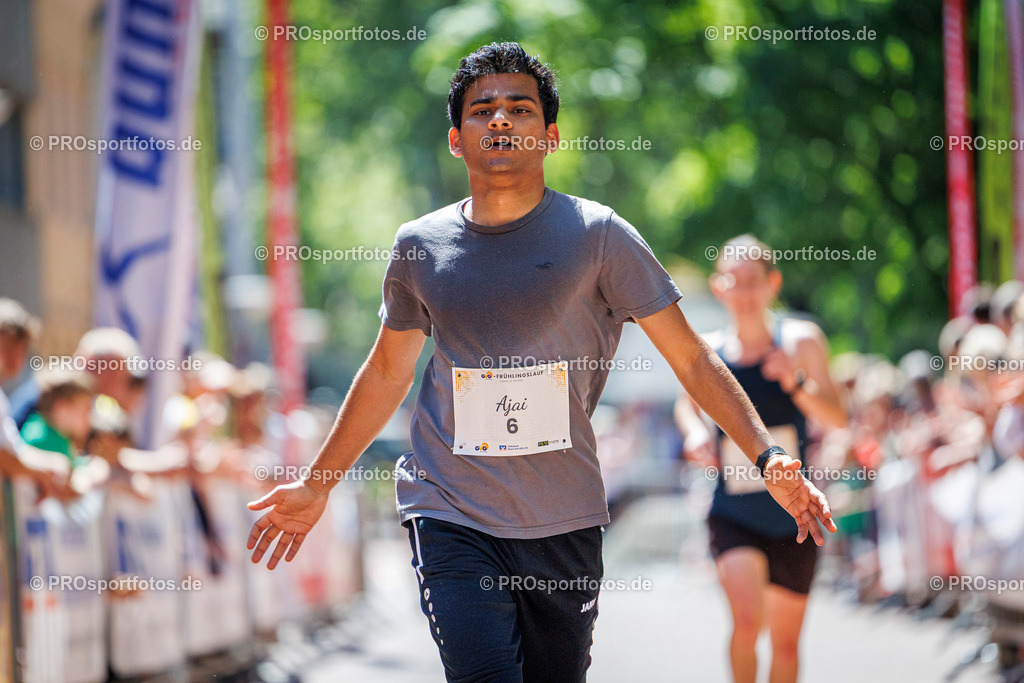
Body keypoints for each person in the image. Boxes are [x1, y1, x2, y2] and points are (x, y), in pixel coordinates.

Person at [247, 43, 836, 682]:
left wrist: (767, 458)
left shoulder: (600, 236)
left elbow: (691, 359)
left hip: (563, 517)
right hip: (449, 508)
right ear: (456, 139)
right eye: (482, 110)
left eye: (520, 109)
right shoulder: (420, 245)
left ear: (550, 136)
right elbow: (389, 371)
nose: (501, 119)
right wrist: (318, 482)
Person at [674, 235, 847, 683]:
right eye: (734, 281)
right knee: (748, 624)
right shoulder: (708, 351)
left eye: (754, 280)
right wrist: (695, 433)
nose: (744, 292)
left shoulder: (801, 340)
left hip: (796, 512)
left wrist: (797, 382)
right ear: (719, 287)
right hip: (735, 510)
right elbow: (685, 405)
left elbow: (838, 417)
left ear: (774, 283)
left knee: (785, 644)